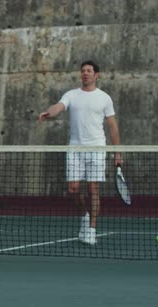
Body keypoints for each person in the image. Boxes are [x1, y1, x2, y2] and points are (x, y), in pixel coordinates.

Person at [38, 60, 122, 245]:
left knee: (93, 189)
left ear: (96, 75)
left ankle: (92, 229)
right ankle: (85, 215)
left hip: (97, 148)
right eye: (83, 71)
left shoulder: (104, 98)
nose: (85, 73)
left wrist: (117, 153)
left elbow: (113, 127)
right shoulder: (71, 95)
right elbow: (58, 106)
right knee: (73, 189)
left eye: (89, 71)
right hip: (75, 148)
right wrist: (48, 112)